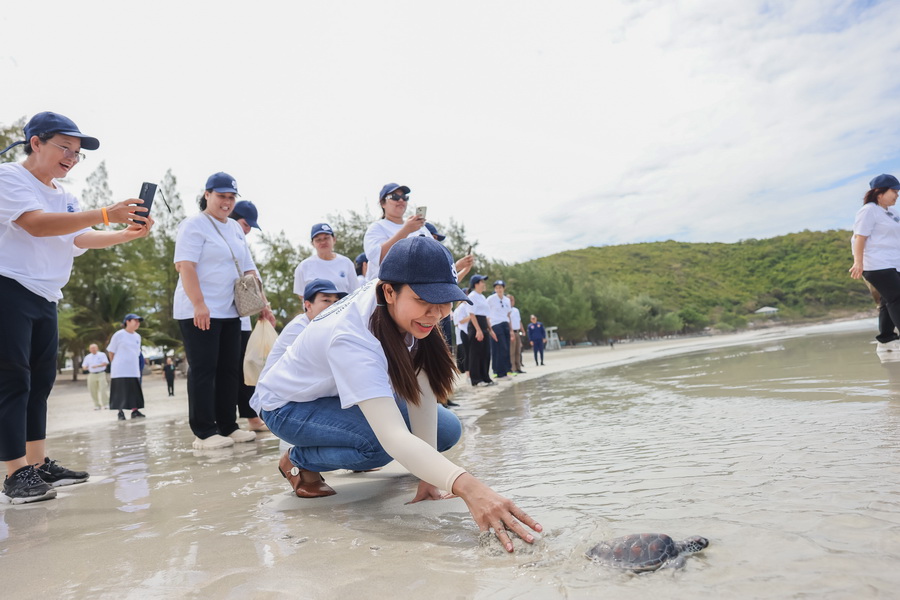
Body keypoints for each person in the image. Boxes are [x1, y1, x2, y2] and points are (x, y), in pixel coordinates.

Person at [252, 237, 542, 552]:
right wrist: (472, 489)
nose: (436, 313)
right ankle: (298, 460)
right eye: (425, 301)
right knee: (380, 445)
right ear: (389, 291)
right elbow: (392, 436)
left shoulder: (403, 300)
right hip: (287, 405)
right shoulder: (352, 336)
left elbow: (423, 386)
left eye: (445, 301)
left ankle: (348, 444)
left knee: (447, 429)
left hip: (335, 394)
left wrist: (431, 476)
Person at [0, 111, 153, 504]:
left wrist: (123, 233)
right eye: (64, 148)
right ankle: (15, 474)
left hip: (46, 295)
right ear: (35, 142)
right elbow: (35, 224)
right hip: (9, 288)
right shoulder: (10, 178)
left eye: (77, 152)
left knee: (40, 383)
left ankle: (36, 464)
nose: (71, 157)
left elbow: (79, 238)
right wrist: (106, 213)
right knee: (14, 381)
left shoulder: (66, 197)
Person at [173, 172, 275, 450]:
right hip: (200, 309)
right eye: (221, 196)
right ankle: (204, 431)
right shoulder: (193, 225)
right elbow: (186, 266)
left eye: (231, 197)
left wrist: (262, 306)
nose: (226, 202)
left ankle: (228, 425)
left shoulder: (233, 228)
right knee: (205, 370)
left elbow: (249, 269)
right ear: (207, 195)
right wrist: (199, 304)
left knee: (230, 370)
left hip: (232, 311)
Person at [258, 279, 348, 384]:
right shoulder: (299, 329)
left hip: (297, 389)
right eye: (326, 300)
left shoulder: (321, 327)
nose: (333, 306)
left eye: (336, 302)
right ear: (308, 305)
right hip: (276, 395)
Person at [229, 200, 268, 432]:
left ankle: (251, 416)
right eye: (245, 224)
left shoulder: (241, 245)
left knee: (246, 369)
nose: (247, 230)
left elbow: (254, 279)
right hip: (222, 316)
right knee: (230, 370)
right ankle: (228, 421)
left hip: (243, 316)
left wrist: (265, 307)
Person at [850, 174, 900, 352]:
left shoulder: (892, 213)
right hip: (876, 264)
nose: (897, 195)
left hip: (893, 263)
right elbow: (859, 238)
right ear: (879, 193)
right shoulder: (868, 210)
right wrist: (858, 262)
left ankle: (886, 340)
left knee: (888, 300)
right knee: (897, 298)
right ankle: (887, 340)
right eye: (894, 191)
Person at [293, 223, 360, 302]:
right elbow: (301, 295)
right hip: (316, 314)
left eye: (326, 238)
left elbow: (355, 291)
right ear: (312, 243)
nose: (323, 242)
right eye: (318, 240)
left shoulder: (346, 263)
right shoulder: (304, 266)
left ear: (334, 239)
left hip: (344, 312)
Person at [108, 314, 146, 420]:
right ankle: (120, 412)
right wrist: (115, 363)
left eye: (139, 322)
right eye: (135, 321)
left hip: (133, 369)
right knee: (120, 391)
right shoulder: (118, 335)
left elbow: (137, 353)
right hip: (120, 369)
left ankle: (135, 411)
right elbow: (111, 351)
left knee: (134, 390)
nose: (137, 323)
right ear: (127, 322)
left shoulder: (137, 336)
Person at [466, 275, 497, 386]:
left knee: (486, 353)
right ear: (476, 284)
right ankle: (476, 380)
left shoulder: (482, 297)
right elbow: (472, 314)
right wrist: (478, 330)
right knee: (476, 354)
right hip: (475, 327)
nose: (484, 284)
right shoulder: (472, 296)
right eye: (482, 282)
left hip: (484, 325)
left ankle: (485, 377)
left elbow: (486, 315)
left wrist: (490, 329)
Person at [486, 280, 512, 379]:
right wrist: (489, 327)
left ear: (503, 288)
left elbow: (508, 315)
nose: (499, 289)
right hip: (495, 324)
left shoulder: (507, 300)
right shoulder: (490, 299)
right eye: (497, 287)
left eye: (500, 287)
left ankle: (504, 370)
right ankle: (500, 371)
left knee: (506, 348)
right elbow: (485, 313)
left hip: (505, 324)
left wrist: (511, 329)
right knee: (501, 347)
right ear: (495, 289)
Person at [81, 343, 110, 410]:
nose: (93, 349)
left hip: (101, 373)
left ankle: (106, 404)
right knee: (92, 390)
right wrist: (85, 367)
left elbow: (105, 363)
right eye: (91, 348)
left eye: (94, 348)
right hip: (92, 374)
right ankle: (96, 404)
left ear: (97, 348)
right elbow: (84, 366)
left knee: (103, 389)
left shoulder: (102, 355)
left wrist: (97, 366)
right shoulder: (87, 357)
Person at [507, 295, 526, 374]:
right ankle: (513, 368)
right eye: (510, 300)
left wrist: (523, 330)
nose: (511, 302)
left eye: (512, 300)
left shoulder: (516, 310)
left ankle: (518, 367)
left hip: (517, 331)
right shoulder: (506, 310)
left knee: (518, 351)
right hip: (511, 332)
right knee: (512, 351)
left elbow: (519, 321)